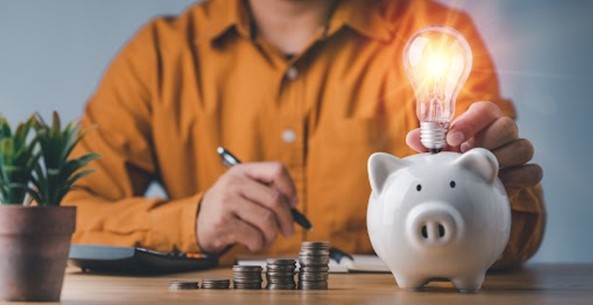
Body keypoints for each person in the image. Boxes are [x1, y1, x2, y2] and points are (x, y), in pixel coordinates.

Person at [66, 0, 545, 269]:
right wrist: (191, 222)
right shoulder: (159, 58)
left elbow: (520, 237)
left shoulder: (435, 34)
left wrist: (484, 193)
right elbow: (62, 218)